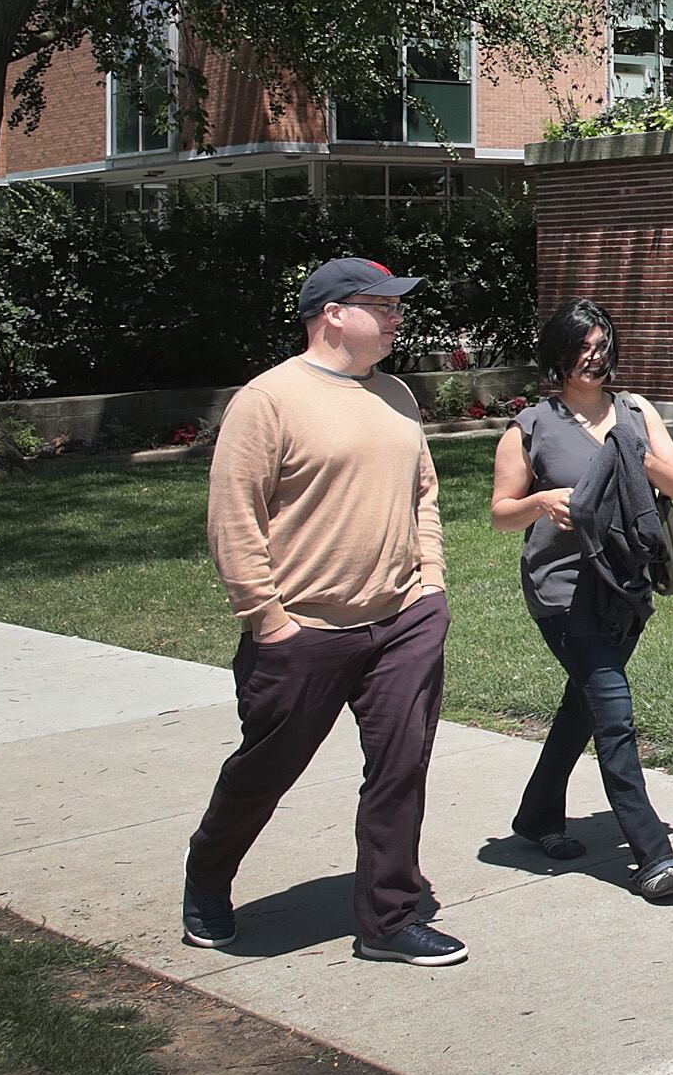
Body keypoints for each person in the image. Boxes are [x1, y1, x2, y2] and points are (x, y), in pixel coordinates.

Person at [184, 257, 465, 967]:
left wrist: (429, 581)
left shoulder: (397, 394)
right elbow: (233, 519)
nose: (398, 316)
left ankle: (389, 919)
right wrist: (269, 620)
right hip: (303, 630)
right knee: (263, 773)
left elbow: (422, 493)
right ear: (333, 312)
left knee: (401, 768)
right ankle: (209, 876)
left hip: (403, 620)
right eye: (385, 305)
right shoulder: (268, 400)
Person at [490, 299, 673, 899]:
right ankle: (652, 856)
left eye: (603, 345)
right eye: (583, 347)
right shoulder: (529, 425)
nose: (595, 356)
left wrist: (632, 452)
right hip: (562, 593)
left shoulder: (634, 411)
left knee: (582, 705)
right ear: (558, 355)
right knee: (612, 712)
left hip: (625, 584)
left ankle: (535, 818)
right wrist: (539, 503)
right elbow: (503, 515)